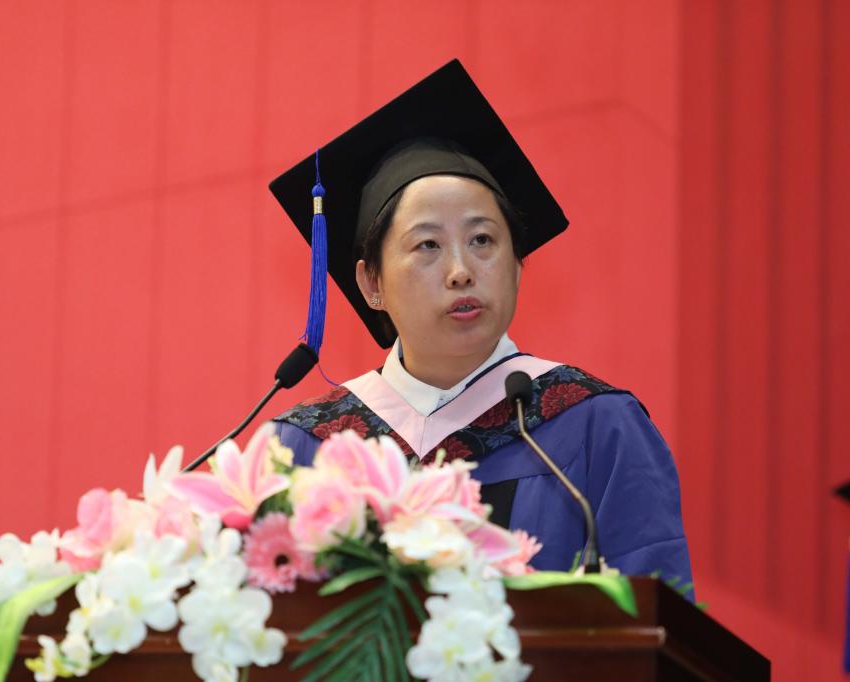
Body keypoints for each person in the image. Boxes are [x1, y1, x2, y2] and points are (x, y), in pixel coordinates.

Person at [267, 60, 693, 587]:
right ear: (371, 283)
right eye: (428, 244)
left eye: (483, 240)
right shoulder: (306, 447)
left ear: (517, 264)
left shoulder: (595, 425)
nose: (461, 271)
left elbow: (657, 615)